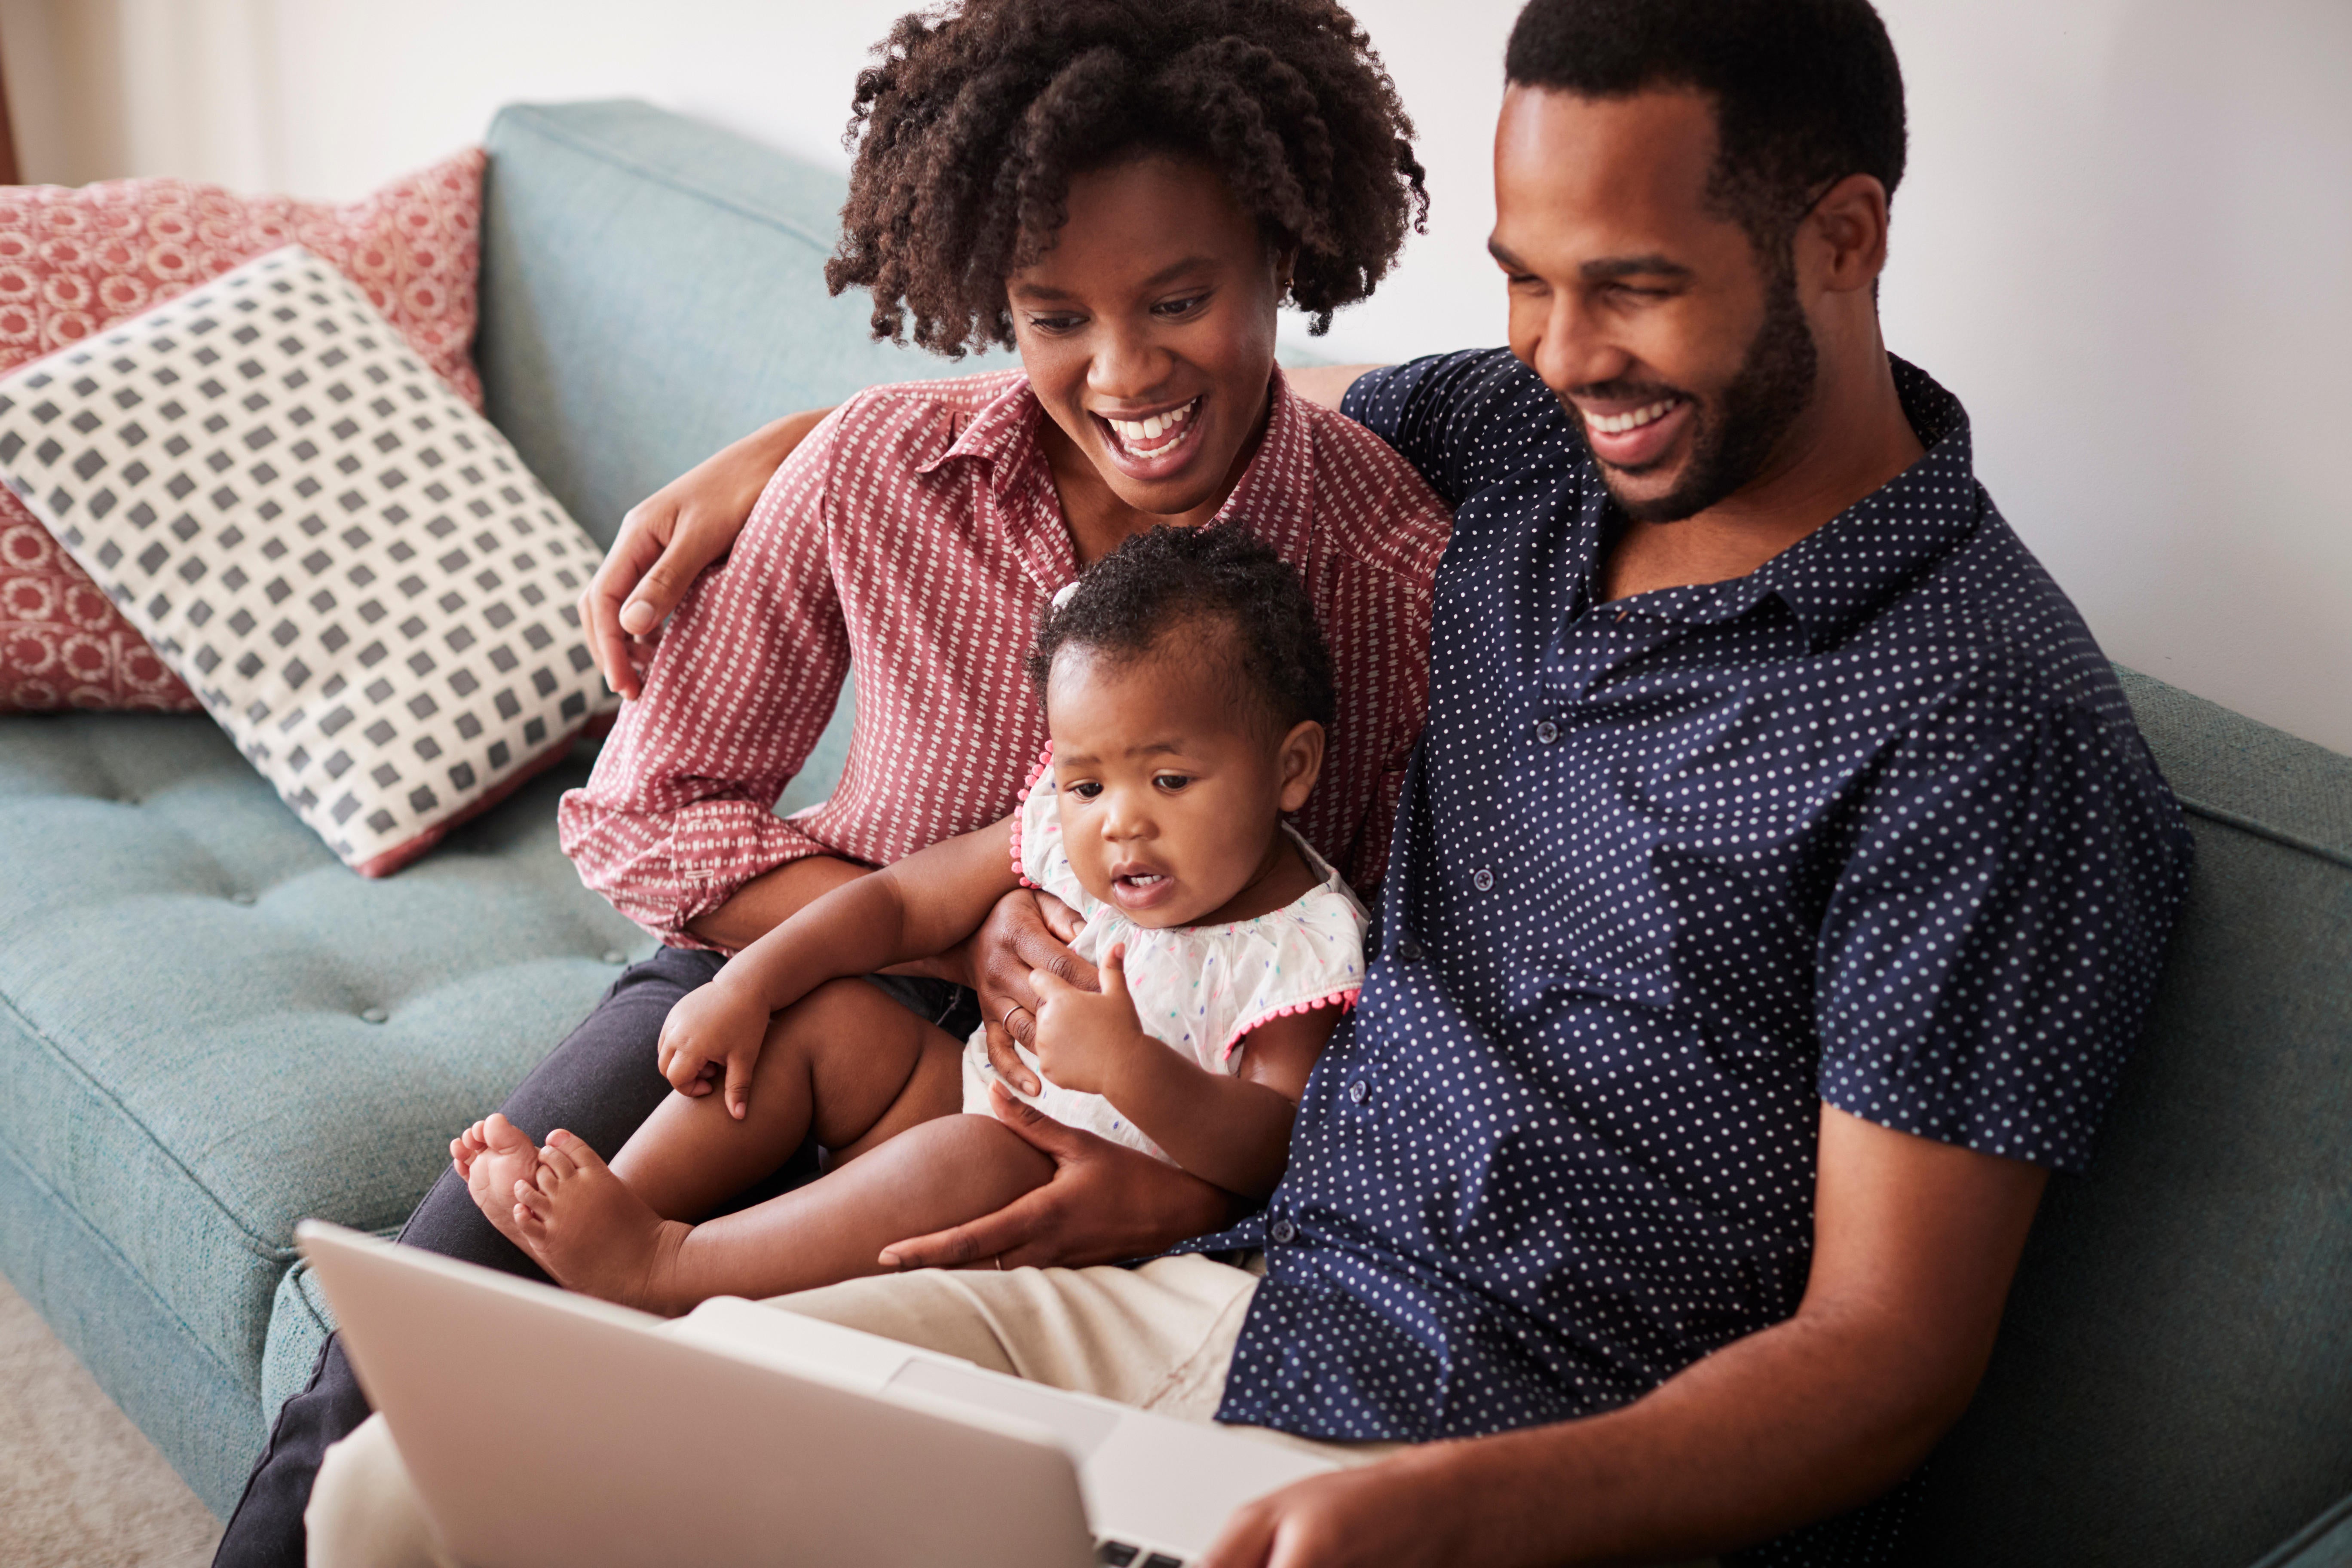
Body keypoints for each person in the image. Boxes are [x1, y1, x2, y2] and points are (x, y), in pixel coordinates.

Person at [306, 0, 2200, 1563]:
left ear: (1843, 241)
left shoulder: (1981, 732)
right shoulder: (1536, 455)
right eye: (1525, 285)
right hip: (1222, 1291)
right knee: (408, 1494)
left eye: (1629, 288)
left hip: (1524, 1453)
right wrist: (823, 442)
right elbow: (1200, 385)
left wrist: (1451, 1519)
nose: (1557, 353)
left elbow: (1889, 1356)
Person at [209, 3, 1449, 1562]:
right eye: (1054, 313)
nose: (1123, 370)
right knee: (416, 1335)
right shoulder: (877, 472)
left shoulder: (1387, 564)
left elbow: (1402, 983)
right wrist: (946, 933)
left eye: (1180, 298)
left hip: (1130, 1095)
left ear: (1283, 250)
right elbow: (652, 805)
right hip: (786, 978)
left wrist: (1182, 1167)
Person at [455, 527, 1367, 1312]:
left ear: (1291, 768)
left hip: (1072, 1198)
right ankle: (606, 1215)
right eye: (1087, 782)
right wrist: (747, 984)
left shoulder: (1301, 944)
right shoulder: (1061, 827)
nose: (1119, 821)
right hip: (969, 1099)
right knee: (831, 1022)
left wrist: (1133, 1070)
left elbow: (1271, 1148)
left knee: (982, 1154)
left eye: (1170, 780)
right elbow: (898, 902)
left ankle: (662, 1267)